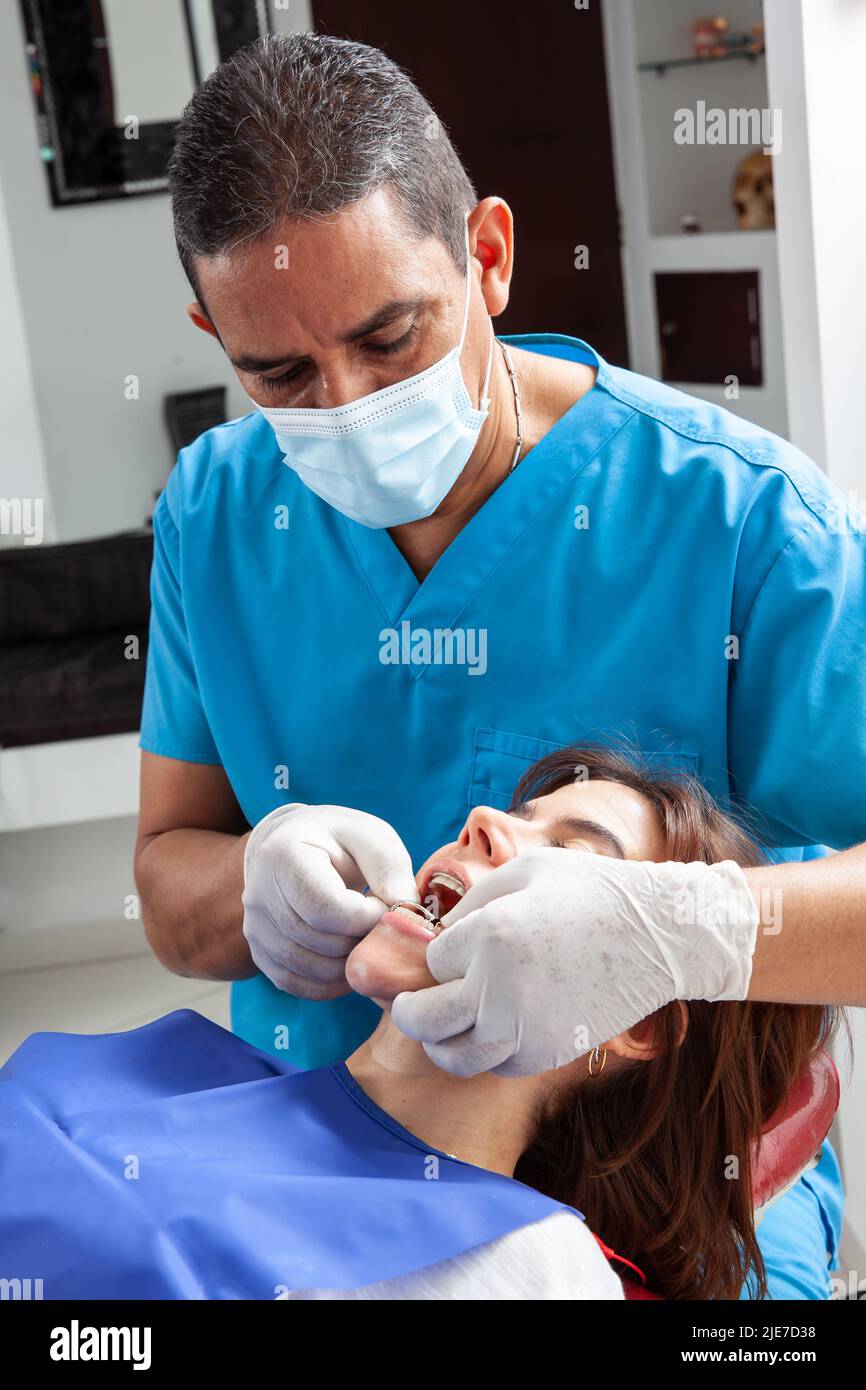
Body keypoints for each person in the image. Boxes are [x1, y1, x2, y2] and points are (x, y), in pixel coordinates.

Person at [135, 32, 865, 1298]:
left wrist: (686, 928)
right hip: (307, 1178)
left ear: (487, 253)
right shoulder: (215, 518)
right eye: (282, 374)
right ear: (212, 332)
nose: (347, 400)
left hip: (662, 1209)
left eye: (390, 337)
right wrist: (251, 881)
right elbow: (167, 882)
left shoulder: (739, 526)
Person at [2, 748, 841, 1299]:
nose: (483, 820)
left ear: (636, 1019)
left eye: (571, 847)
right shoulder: (180, 1063)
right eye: (519, 810)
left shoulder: (528, 1267)